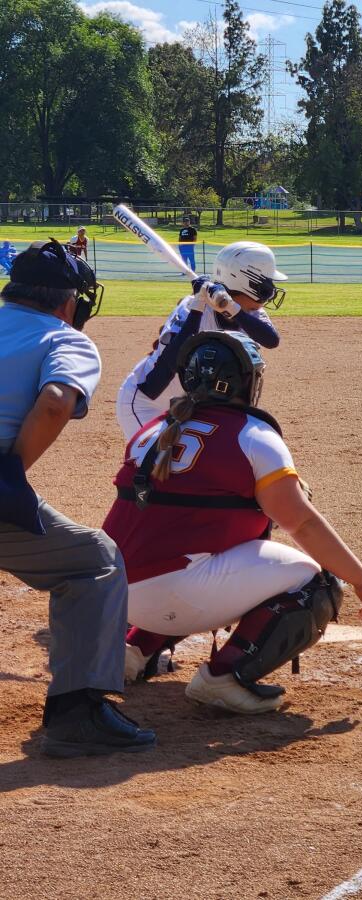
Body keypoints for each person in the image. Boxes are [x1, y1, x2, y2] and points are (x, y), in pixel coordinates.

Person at [102, 331, 362, 713]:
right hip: (175, 590)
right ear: (246, 380)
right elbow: (302, 524)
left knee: (196, 551)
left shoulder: (152, 430)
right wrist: (361, 580)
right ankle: (224, 677)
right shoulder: (253, 435)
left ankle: (132, 650)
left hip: (114, 592)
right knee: (316, 581)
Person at [0, 240, 156, 756]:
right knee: (93, 561)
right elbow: (54, 400)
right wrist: (11, 472)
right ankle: (76, 715)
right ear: (70, 302)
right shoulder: (63, 339)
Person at [115, 241, 285, 441]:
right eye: (266, 288)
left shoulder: (250, 312)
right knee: (154, 465)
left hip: (190, 407)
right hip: (148, 403)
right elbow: (160, 375)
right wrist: (198, 305)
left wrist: (231, 308)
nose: (270, 293)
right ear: (248, 285)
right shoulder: (191, 308)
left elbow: (271, 340)